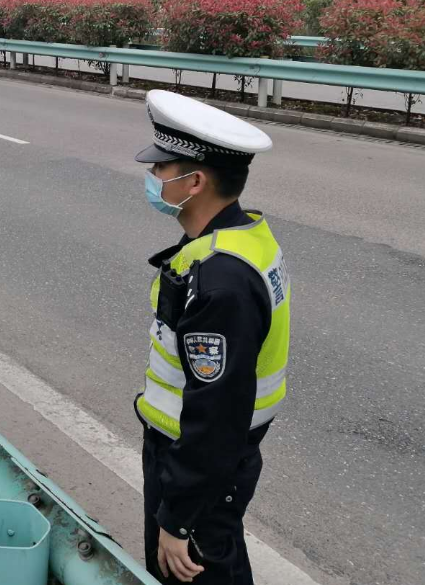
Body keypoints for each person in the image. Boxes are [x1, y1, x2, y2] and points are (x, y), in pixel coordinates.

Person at [133, 90, 291, 585]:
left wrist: (177, 518)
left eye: (161, 169)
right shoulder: (238, 240)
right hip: (207, 463)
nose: (152, 178)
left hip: (196, 468)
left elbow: (217, 415)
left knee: (195, 570)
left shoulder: (219, 281)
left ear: (194, 181)